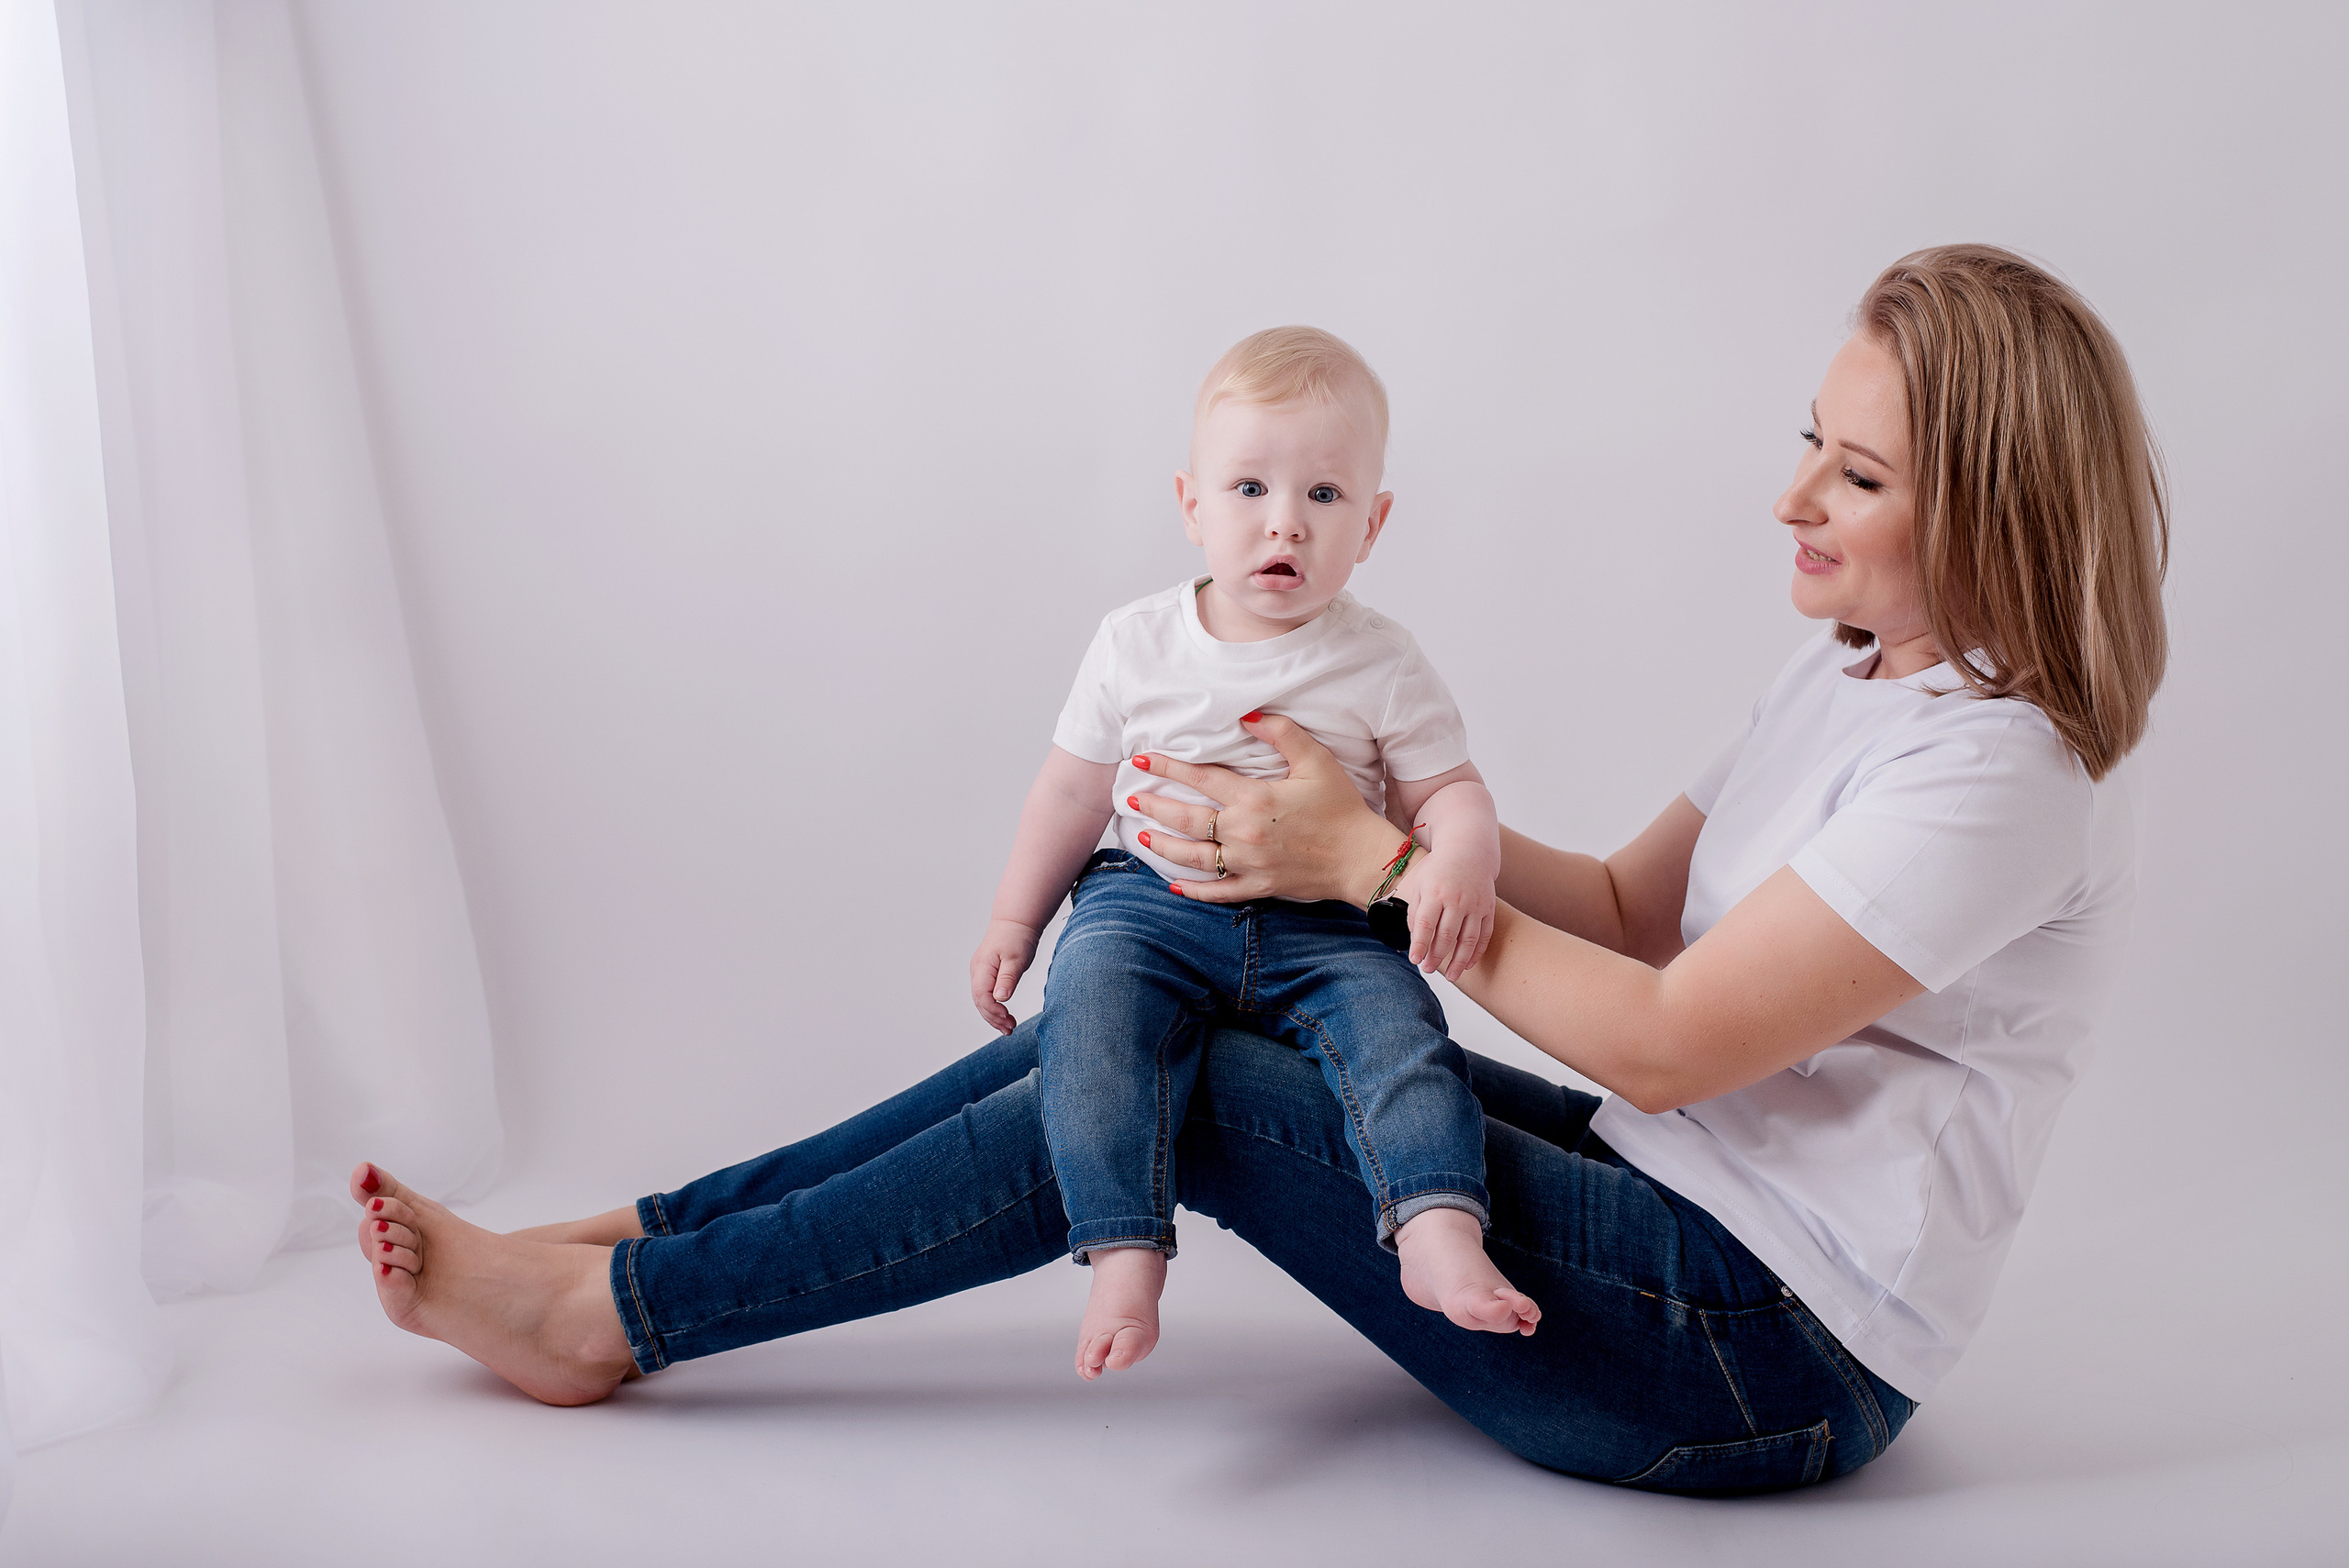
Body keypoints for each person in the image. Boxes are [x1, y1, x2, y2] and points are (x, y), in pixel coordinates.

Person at [349, 244, 2167, 1495]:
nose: (1791, 497)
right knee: (1121, 1003)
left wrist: (1361, 858)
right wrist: (1370, 818)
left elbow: (1673, 1041)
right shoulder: (1851, 673)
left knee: (1188, 1079)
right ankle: (650, 1234)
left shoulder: (1999, 771)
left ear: (1989, 503)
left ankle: (607, 1317)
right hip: (1671, 1205)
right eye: (1807, 442)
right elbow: (1624, 908)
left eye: (1856, 475)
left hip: (1756, 1350)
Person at [974, 326, 1534, 1382]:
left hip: (1327, 922)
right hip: (1150, 900)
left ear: (1371, 525)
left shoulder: (1380, 659)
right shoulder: (1135, 641)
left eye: (1323, 494)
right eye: (1248, 488)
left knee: (1402, 1035)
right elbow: (1071, 790)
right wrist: (1017, 917)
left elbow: (1448, 790)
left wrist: (1461, 857)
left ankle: (1434, 1223)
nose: (1285, 520)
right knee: (1090, 1012)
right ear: (1190, 505)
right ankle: (1124, 1245)